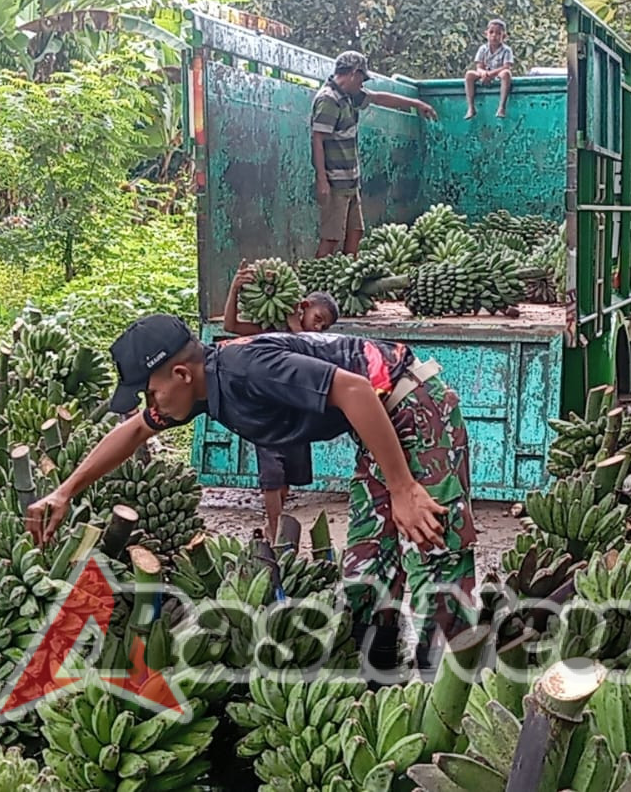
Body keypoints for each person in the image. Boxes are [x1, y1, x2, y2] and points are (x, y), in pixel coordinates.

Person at [25, 315, 476, 675]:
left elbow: (356, 390)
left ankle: (449, 695)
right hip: (379, 426)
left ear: (181, 373)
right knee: (366, 563)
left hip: (414, 407)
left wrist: (403, 488)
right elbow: (135, 431)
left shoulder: (247, 368)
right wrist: (65, 492)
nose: (151, 403)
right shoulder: (200, 387)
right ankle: (379, 681)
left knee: (430, 544)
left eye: (150, 390)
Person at [222, 261, 342, 539]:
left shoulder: (312, 340)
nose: (320, 326)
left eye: (324, 325)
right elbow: (231, 325)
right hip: (267, 414)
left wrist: (295, 325)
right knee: (272, 476)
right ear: (304, 304)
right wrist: (235, 290)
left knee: (288, 477)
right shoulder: (269, 332)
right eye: (318, 317)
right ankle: (275, 530)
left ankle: (275, 524)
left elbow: (311, 348)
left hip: (297, 418)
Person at [312, 51, 439, 258]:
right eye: (362, 78)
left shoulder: (350, 96)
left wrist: (416, 104)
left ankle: (346, 277)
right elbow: (318, 139)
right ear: (354, 73)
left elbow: (379, 98)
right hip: (335, 181)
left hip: (351, 181)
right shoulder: (329, 99)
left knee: (355, 231)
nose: (363, 84)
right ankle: (315, 286)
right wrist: (322, 180)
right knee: (331, 237)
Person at [464, 19, 516, 120]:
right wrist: (483, 73)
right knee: (469, 74)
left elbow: (506, 66)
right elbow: (479, 66)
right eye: (491, 32)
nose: (494, 36)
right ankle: (471, 107)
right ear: (486, 34)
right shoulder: (483, 49)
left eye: (498, 33)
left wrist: (490, 74)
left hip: (498, 74)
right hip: (485, 74)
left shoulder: (506, 50)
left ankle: (502, 107)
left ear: (504, 36)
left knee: (506, 73)